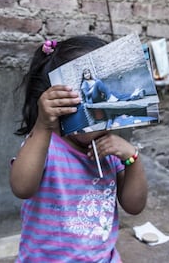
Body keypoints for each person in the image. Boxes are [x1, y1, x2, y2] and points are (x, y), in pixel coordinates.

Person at [11, 36, 148, 262]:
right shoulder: (45, 145)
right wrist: (43, 125)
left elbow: (134, 206)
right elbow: (21, 187)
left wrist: (132, 158)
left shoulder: (109, 149)